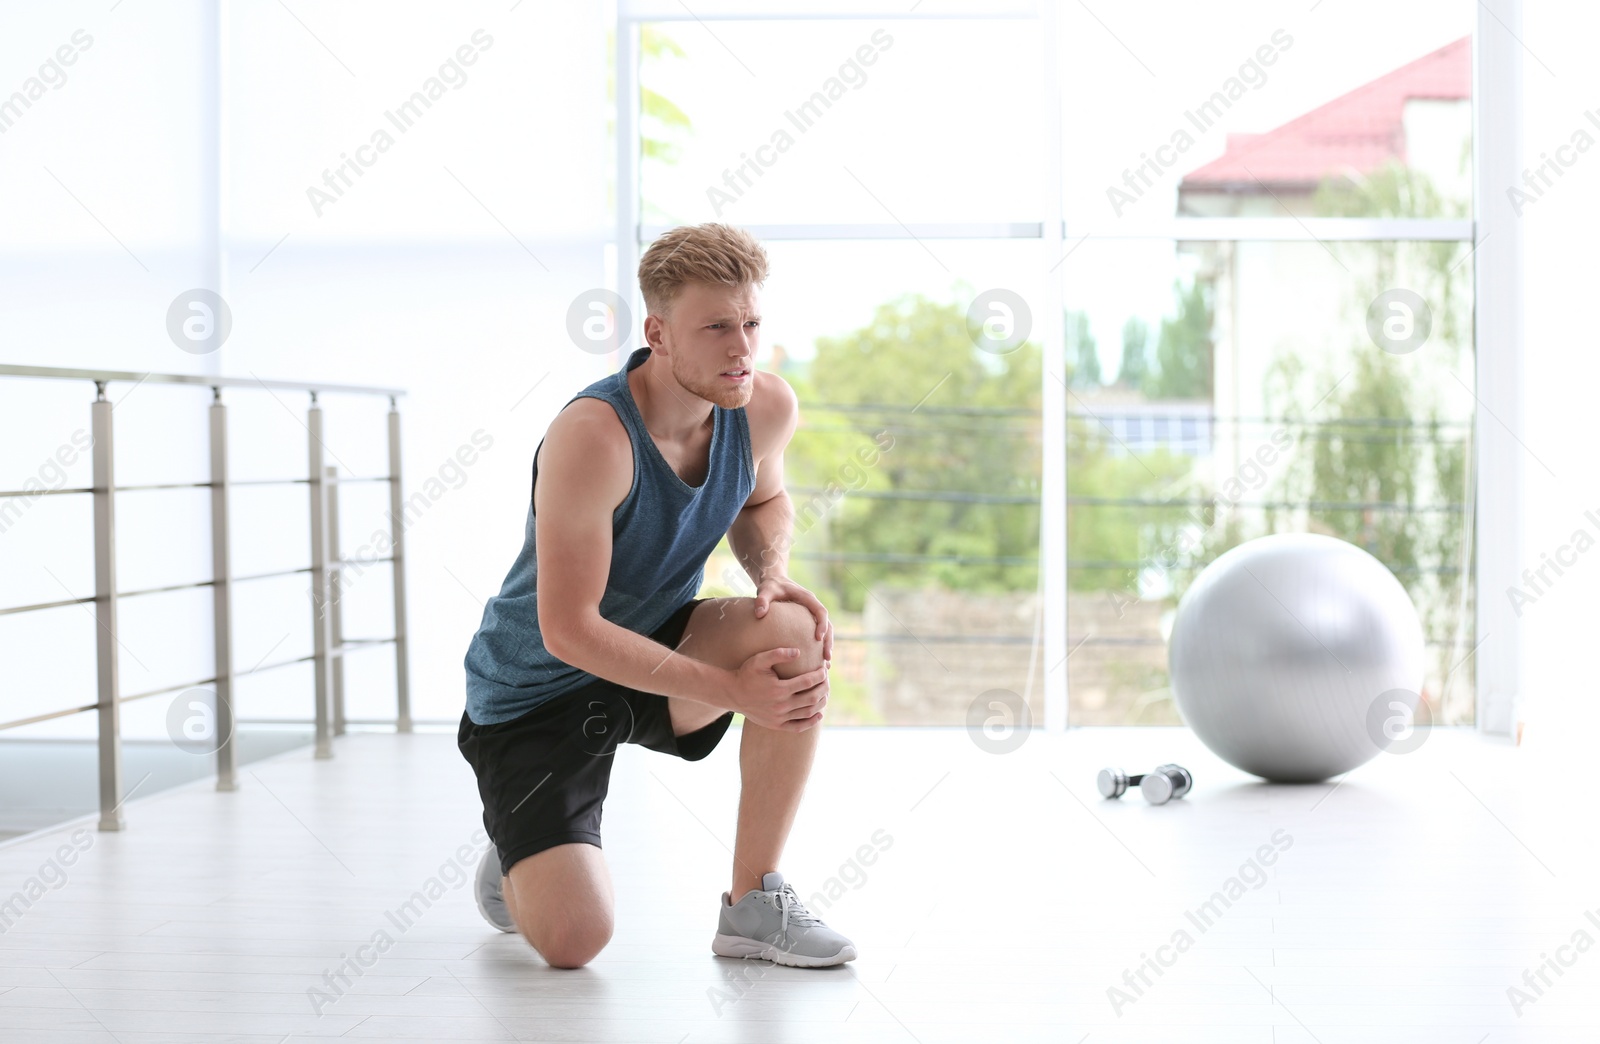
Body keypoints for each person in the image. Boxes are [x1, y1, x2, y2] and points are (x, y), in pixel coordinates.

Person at [458, 222, 854, 969]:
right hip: (534, 696)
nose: (742, 348)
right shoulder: (593, 437)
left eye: (752, 324)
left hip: (653, 649)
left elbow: (761, 506)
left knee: (794, 629)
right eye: (716, 329)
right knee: (576, 943)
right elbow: (569, 630)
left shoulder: (761, 407)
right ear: (659, 333)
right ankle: (521, 857)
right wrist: (731, 689)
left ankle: (753, 907)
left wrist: (768, 569)